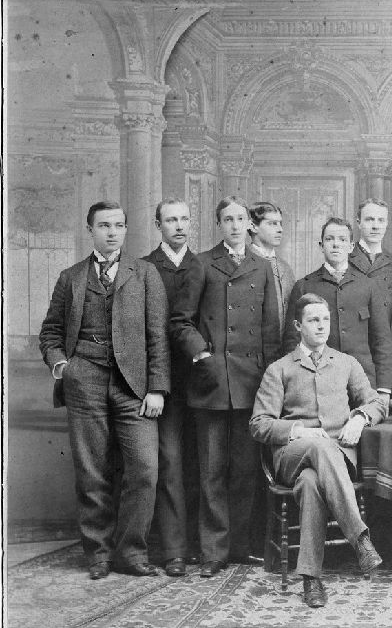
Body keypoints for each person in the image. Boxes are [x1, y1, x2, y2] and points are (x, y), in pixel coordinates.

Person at [39, 200, 170, 579]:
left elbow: (158, 335)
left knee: (144, 470)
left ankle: (131, 552)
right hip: (86, 381)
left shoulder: (145, 274)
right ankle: (98, 554)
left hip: (135, 386)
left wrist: (158, 388)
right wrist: (64, 366)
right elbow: (50, 332)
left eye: (118, 225)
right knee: (91, 472)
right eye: (104, 225)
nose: (112, 232)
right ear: (90, 230)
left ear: (126, 230)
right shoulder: (72, 277)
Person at [251, 293, 387, 608]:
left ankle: (311, 580)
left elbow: (377, 401)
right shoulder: (280, 369)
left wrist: (361, 417)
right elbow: (259, 424)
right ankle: (361, 538)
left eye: (325, 319)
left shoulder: (346, 363)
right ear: (298, 326)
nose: (321, 326)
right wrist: (299, 430)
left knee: (312, 484)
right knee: (317, 444)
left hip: (336, 460)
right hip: (291, 455)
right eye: (314, 320)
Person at [171, 195, 282, 577]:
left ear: (249, 225)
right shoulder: (202, 263)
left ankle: (240, 546)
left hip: (252, 385)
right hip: (212, 384)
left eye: (240, 219)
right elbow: (180, 322)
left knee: (245, 470)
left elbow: (271, 330)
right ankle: (213, 551)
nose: (235, 226)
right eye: (227, 220)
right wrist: (202, 356)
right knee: (212, 471)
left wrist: (270, 382)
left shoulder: (262, 267)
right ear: (219, 224)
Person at [142, 198, 202, 576]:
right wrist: (154, 383)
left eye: (183, 219)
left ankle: (198, 544)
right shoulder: (146, 268)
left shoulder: (203, 265)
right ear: (158, 225)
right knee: (170, 462)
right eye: (170, 220)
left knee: (200, 463)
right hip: (164, 382)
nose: (178, 226)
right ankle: (173, 549)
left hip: (203, 382)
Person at [283, 217, 392, 398]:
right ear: (321, 245)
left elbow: (381, 341)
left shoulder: (369, 286)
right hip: (317, 384)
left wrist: (383, 389)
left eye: (342, 240)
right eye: (330, 239)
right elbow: (291, 342)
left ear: (351, 247)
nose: (336, 245)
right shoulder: (304, 287)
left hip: (364, 384)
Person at [348, 198, 392, 322]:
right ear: (358, 223)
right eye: (369, 220)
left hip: (385, 336)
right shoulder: (345, 259)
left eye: (381, 220)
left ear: (386, 224)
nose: (375, 226)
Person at [248, 201, 296, 329]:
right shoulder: (242, 264)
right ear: (253, 226)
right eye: (272, 224)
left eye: (280, 223)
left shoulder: (285, 268)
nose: (280, 229)